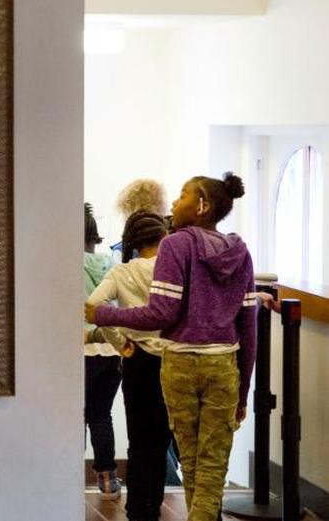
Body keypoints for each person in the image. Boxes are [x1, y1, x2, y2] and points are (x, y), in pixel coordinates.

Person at [87, 172, 258, 521]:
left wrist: (102, 314)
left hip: (179, 362)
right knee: (211, 464)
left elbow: (162, 312)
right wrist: (243, 390)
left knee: (192, 459)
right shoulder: (240, 252)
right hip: (223, 363)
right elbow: (248, 325)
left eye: (182, 196)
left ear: (202, 205)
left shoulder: (175, 246)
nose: (175, 204)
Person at [86, 211, 171, 521]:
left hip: (136, 359)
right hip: (170, 360)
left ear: (132, 240)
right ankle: (155, 503)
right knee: (161, 438)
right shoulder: (170, 271)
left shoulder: (122, 272)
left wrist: (119, 341)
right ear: (164, 238)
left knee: (139, 438)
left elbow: (94, 305)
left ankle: (138, 510)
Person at [82, 202, 121, 501]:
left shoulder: (67, 264)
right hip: (113, 349)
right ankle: (108, 480)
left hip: (80, 349)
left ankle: (67, 475)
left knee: (72, 416)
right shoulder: (113, 265)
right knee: (101, 414)